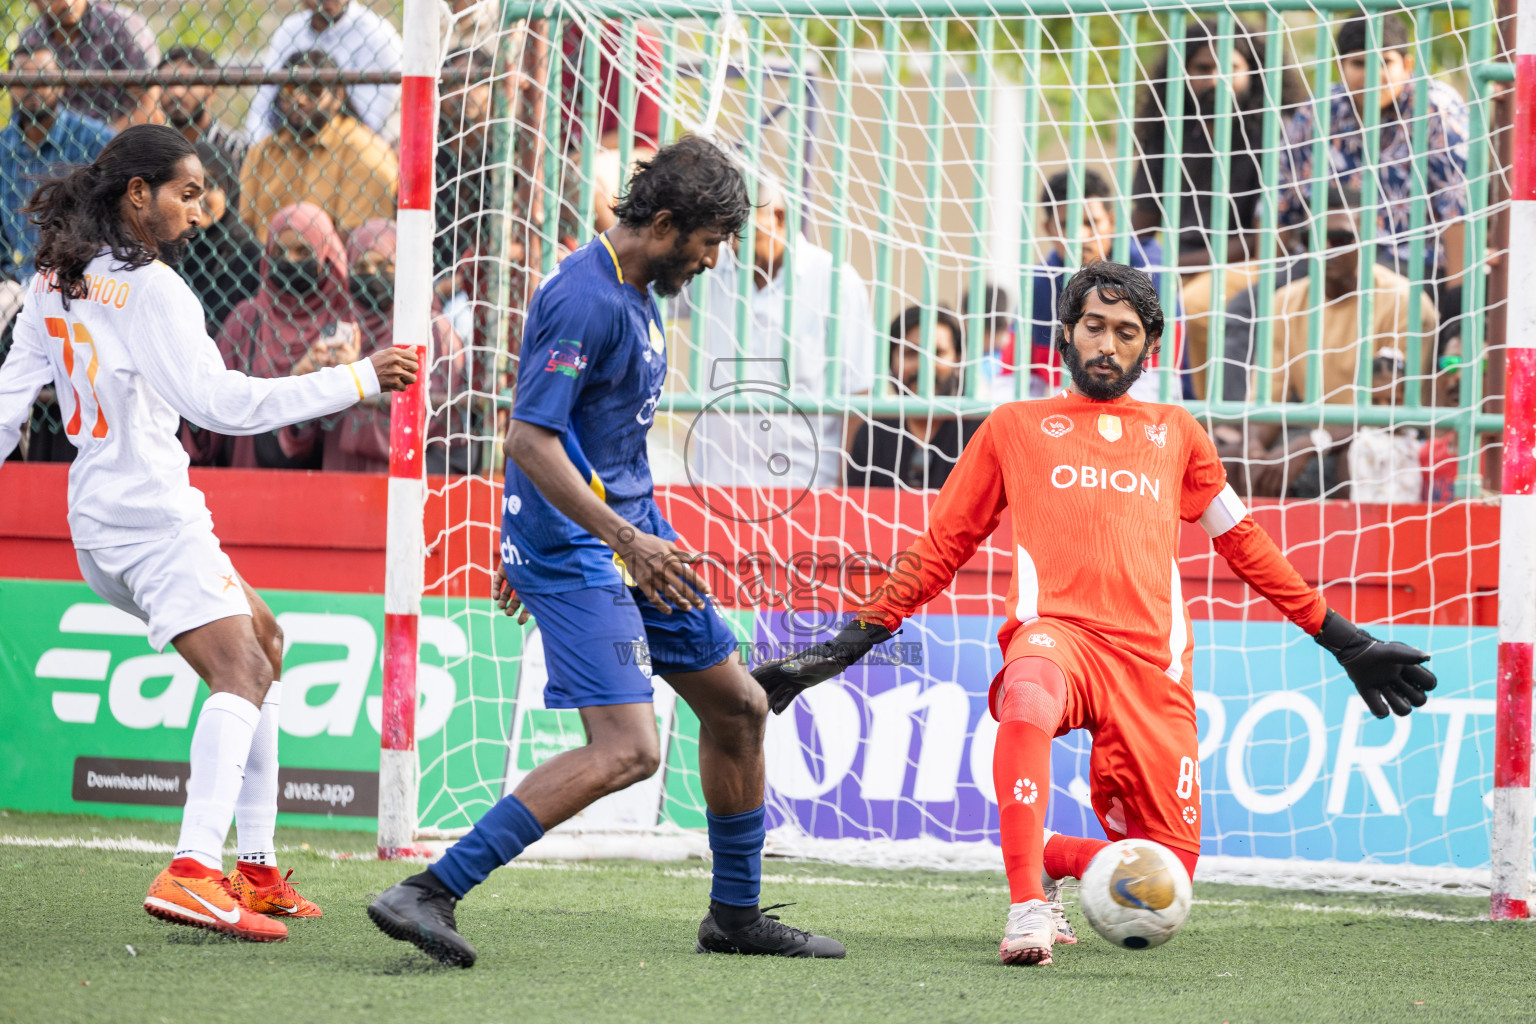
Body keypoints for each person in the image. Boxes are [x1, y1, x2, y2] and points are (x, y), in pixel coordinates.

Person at [750, 260, 1437, 967]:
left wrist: (1343, 640)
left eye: (1126, 333)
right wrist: (844, 646)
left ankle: (1049, 853)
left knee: (1165, 880)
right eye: (1094, 327)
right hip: (1058, 639)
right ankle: (1026, 906)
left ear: (1150, 348)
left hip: (1153, 667)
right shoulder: (1013, 426)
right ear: (1067, 333)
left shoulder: (1177, 432)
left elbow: (1243, 541)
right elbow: (940, 548)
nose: (1108, 345)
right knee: (1027, 693)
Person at [367, 136, 845, 967]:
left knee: (740, 708)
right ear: (664, 225)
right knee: (629, 749)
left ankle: (735, 918)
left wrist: (620, 535)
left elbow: (586, 436)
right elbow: (528, 438)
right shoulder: (585, 297)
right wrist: (591, 541)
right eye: (709, 242)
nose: (714, 260)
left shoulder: (635, 291)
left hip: (629, 539)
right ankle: (429, 889)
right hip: (583, 552)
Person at [0, 124, 418, 941]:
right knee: (242, 668)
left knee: (267, 641)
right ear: (137, 195)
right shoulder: (153, 289)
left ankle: (255, 870)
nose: (200, 212)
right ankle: (194, 869)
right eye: (186, 195)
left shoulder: (53, 281)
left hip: (99, 524)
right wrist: (358, 377)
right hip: (150, 518)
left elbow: (8, 407)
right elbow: (222, 405)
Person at [1240, 183, 1437, 499]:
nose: (1327, 248)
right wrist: (1253, 449)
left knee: (1355, 458)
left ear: (1367, 240)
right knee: (1225, 461)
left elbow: (1389, 412)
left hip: (1375, 441)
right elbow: (1266, 400)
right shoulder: (1284, 301)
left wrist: (1310, 444)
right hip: (1308, 439)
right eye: (1314, 239)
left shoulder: (1404, 302)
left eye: (1341, 239)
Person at [688, 175, 876, 488]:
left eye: (739, 230)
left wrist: (842, 484)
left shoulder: (835, 282)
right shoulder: (711, 270)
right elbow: (647, 280)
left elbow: (857, 394)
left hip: (804, 487)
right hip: (715, 485)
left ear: (777, 216)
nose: (730, 244)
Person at [1277, 15, 1468, 287]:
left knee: (1367, 295)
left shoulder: (1435, 108)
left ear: (1407, 65)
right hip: (1325, 261)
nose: (1372, 76)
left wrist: (1457, 294)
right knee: (1246, 307)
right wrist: (1269, 281)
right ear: (1339, 67)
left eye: (1384, 62)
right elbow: (1280, 202)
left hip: (1411, 264)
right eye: (1359, 63)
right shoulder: (1318, 111)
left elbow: (1458, 207)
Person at [281, 218, 467, 474]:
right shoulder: (337, 326)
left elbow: (431, 424)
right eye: (361, 267)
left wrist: (356, 379)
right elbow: (310, 434)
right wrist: (311, 377)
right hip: (339, 475)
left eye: (383, 265)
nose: (371, 275)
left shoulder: (433, 333)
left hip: (404, 476)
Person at [186, 202, 356, 469]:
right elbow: (211, 408)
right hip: (250, 472)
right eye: (279, 252)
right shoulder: (246, 319)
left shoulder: (345, 323)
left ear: (325, 255)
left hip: (324, 475)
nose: (290, 261)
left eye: (303, 251)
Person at [1132, 19, 1304, 266]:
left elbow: (1266, 240)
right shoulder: (1166, 132)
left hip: (1251, 267)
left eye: (1229, 68)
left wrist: (1176, 268)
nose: (1215, 80)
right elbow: (1145, 220)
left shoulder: (1276, 132)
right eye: (1203, 68)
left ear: (1253, 71)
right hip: (1179, 265)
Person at [1019, 169, 1184, 400]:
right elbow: (1018, 379)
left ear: (1112, 221)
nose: (1080, 235)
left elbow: (1161, 380)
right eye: (1066, 224)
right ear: (1048, 229)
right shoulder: (1037, 284)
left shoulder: (1151, 273)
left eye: (1091, 222)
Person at [238, 50, 399, 245]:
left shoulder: (365, 151)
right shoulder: (262, 151)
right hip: (262, 260)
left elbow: (358, 240)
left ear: (338, 96)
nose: (299, 99)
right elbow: (243, 226)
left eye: (313, 90)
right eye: (290, 90)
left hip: (329, 262)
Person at [2, 44, 116, 281]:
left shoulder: (96, 140)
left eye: (43, 76)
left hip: (84, 275)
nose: (33, 86)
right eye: (22, 78)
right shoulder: (2, 146)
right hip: (17, 280)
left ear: (62, 83)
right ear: (9, 85)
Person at [847, 306, 981, 489]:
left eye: (937, 353)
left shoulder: (980, 433)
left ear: (958, 360)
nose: (924, 367)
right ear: (891, 361)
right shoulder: (872, 434)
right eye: (911, 353)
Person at [244, 0, 403, 143]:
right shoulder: (289, 31)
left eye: (312, 92)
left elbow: (371, 125)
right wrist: (261, 150)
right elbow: (262, 108)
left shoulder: (377, 35)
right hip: (289, 147)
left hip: (348, 148)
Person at [19, 0, 160, 131]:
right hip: (55, 140)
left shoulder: (123, 25)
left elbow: (150, 108)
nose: (67, 3)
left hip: (122, 139)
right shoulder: (31, 37)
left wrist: (103, 141)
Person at [177, 141, 261, 339]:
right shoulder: (168, 243)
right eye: (190, 187)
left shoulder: (249, 255)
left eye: (211, 184)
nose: (200, 197)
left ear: (229, 190)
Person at [157, 46, 249, 172]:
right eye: (168, 83)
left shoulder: (236, 149)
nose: (177, 92)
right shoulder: (156, 150)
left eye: (188, 82)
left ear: (211, 90)